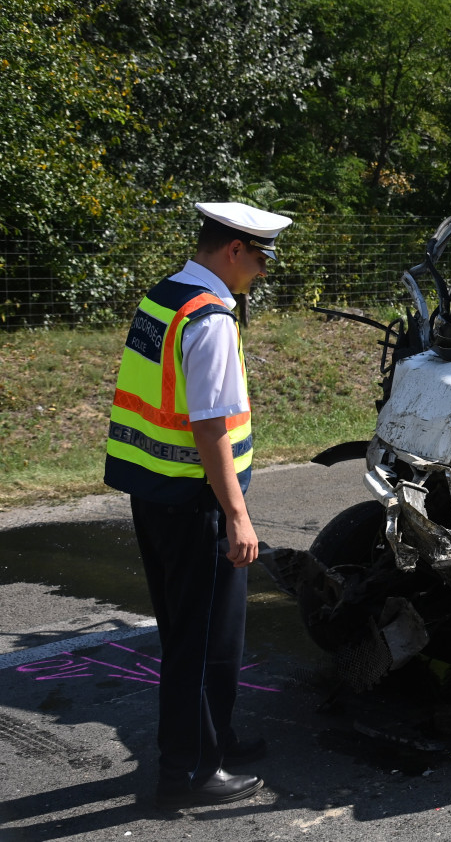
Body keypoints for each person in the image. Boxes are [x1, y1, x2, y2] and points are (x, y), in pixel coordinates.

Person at [104, 201, 291, 808]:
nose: (263, 270)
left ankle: (216, 740)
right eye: (261, 257)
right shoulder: (209, 319)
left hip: (156, 492)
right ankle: (187, 774)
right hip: (196, 502)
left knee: (194, 631)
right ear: (234, 250)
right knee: (206, 639)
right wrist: (238, 516)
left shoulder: (167, 296)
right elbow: (211, 427)